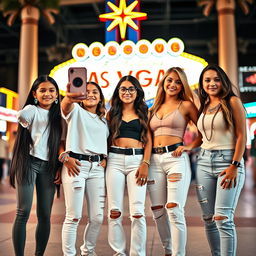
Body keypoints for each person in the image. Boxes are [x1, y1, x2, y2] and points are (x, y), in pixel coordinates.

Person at [147, 67, 201, 256]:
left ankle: (179, 254)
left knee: (174, 208)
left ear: (182, 86)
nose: (173, 85)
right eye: (170, 80)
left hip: (176, 158)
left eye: (178, 82)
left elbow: (203, 133)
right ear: (163, 82)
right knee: (157, 210)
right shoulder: (153, 108)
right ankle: (168, 250)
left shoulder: (185, 105)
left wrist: (189, 146)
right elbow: (146, 137)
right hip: (154, 160)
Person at [196, 64, 246, 256]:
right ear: (202, 83)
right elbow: (203, 137)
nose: (212, 83)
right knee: (208, 218)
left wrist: (234, 165)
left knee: (222, 218)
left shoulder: (232, 101)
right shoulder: (204, 105)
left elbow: (242, 135)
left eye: (216, 79)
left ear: (223, 81)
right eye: (207, 80)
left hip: (228, 161)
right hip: (203, 162)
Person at [9, 75, 62, 256]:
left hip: (49, 167)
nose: (47, 94)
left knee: (45, 215)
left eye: (51, 90)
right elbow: (21, 115)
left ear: (57, 94)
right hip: (28, 162)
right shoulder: (32, 109)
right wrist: (30, 107)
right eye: (43, 90)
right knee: (23, 211)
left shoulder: (60, 116)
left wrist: (59, 168)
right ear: (35, 93)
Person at [60, 81, 109, 256]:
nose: (91, 94)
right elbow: (65, 106)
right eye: (86, 91)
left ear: (100, 97)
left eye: (95, 92)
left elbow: (105, 143)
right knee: (73, 216)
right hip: (76, 167)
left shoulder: (104, 120)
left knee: (97, 217)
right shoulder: (76, 111)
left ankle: (88, 251)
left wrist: (105, 157)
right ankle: (69, 254)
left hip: (97, 169)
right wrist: (69, 96)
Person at [106, 75, 152, 256]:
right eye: (123, 89)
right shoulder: (112, 114)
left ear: (137, 92)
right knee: (114, 211)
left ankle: (137, 253)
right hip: (114, 160)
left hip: (137, 161)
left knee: (138, 211)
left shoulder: (144, 112)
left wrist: (145, 163)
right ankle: (119, 252)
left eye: (131, 89)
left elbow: (149, 141)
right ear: (118, 92)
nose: (127, 92)